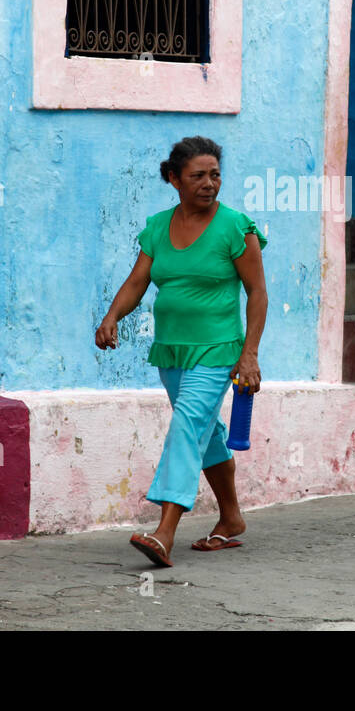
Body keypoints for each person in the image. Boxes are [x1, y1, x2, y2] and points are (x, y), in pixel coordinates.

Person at [96, 136, 268, 565]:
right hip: (171, 352)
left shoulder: (236, 227)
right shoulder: (157, 227)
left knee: (186, 427)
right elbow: (139, 282)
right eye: (198, 176)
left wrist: (249, 354)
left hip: (216, 350)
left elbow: (257, 293)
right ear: (174, 179)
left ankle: (164, 531)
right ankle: (231, 519)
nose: (209, 183)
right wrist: (112, 315)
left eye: (215, 175)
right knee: (206, 434)